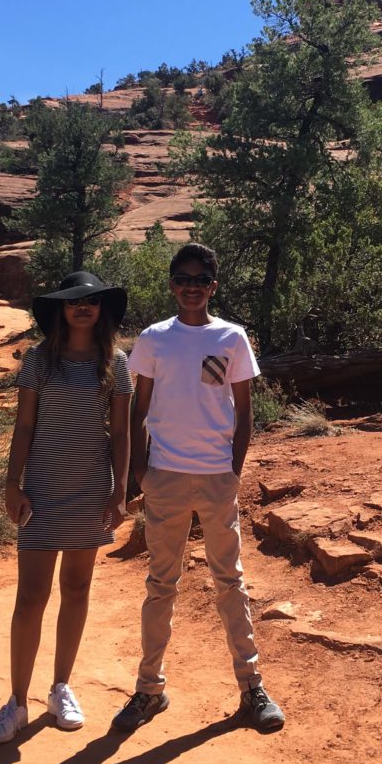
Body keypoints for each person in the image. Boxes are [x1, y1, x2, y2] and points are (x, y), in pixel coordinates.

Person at [112, 243, 285, 733]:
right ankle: (149, 690)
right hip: (165, 475)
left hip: (215, 477)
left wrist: (233, 467)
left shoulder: (231, 337)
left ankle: (251, 688)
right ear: (172, 283)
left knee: (229, 580)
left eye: (200, 279)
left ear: (212, 286)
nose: (191, 286)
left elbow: (244, 408)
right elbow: (137, 409)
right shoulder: (154, 339)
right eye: (182, 277)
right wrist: (140, 473)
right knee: (161, 584)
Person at [0, 271, 132, 743]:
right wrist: (12, 483)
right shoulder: (38, 361)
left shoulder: (116, 363)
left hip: (91, 487)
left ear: (101, 309)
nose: (83, 307)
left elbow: (122, 433)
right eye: (74, 302)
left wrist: (119, 490)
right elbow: (24, 428)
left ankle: (61, 687)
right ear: (60, 310)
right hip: (43, 488)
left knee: (77, 586)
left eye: (91, 301)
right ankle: (16, 702)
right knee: (30, 597)